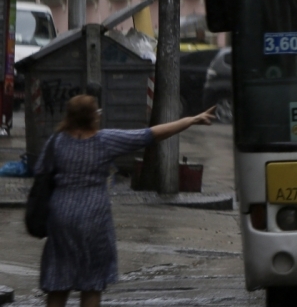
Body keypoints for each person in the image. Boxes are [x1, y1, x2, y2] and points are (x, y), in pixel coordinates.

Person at [35, 95, 215, 307]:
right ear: (94, 117)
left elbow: (40, 173)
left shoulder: (56, 142)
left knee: (58, 280)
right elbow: (152, 134)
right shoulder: (104, 141)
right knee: (92, 284)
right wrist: (191, 120)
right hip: (94, 219)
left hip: (61, 217)